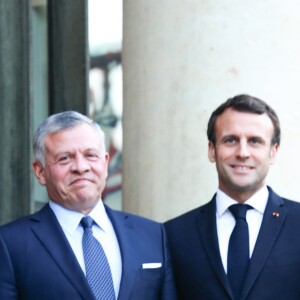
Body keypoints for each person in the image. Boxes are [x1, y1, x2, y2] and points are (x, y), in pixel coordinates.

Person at [0, 111, 176, 300]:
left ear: (105, 163)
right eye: (65, 158)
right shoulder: (10, 244)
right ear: (40, 172)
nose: (81, 167)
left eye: (90, 155)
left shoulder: (153, 235)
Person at [164, 94, 300, 300]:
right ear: (212, 149)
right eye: (230, 140)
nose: (243, 152)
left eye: (255, 141)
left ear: (273, 152)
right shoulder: (173, 234)